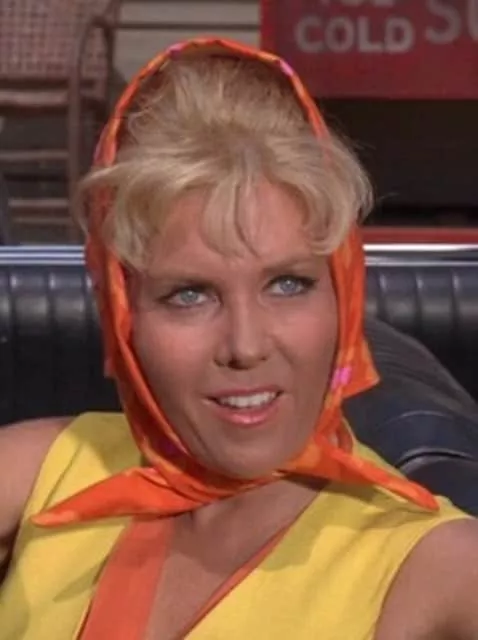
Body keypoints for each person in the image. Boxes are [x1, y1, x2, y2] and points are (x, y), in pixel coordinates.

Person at [1, 37, 478, 640]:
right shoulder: (44, 471)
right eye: (190, 295)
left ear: (344, 292)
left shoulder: (435, 565)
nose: (246, 346)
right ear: (123, 313)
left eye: (288, 284)